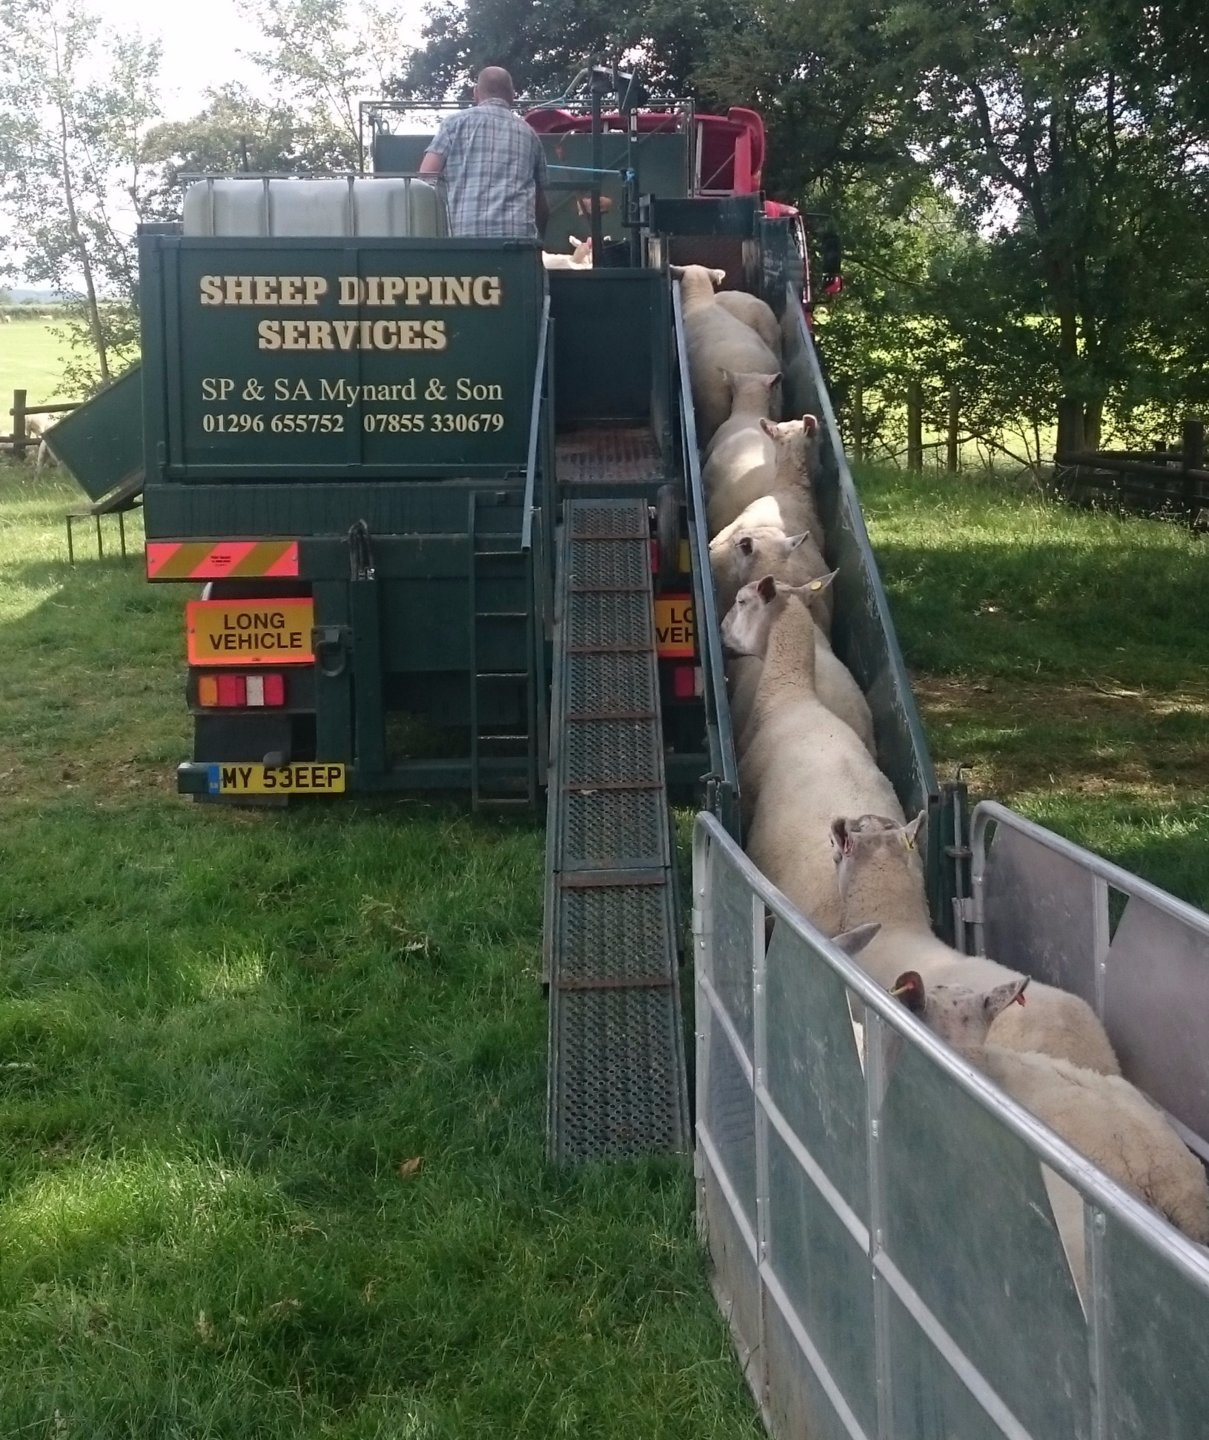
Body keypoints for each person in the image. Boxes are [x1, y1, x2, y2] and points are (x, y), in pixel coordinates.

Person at [419, 67, 549, 240]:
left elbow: (426, 177)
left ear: (475, 93)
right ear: (512, 95)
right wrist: (540, 240)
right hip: (518, 243)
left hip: (464, 239)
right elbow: (541, 202)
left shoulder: (453, 124)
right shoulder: (529, 133)